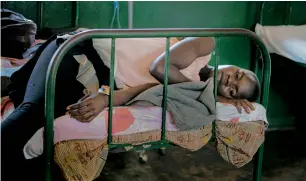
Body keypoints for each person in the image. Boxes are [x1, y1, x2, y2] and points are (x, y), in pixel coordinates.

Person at [1, 29, 259, 180]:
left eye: (233, 91)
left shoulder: (190, 90)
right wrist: (216, 92)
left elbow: (142, 90)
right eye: (237, 74)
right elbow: (159, 68)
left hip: (98, 76)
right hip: (78, 49)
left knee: (48, 148)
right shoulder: (206, 45)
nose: (229, 81)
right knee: (32, 114)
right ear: (233, 65)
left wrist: (105, 98)